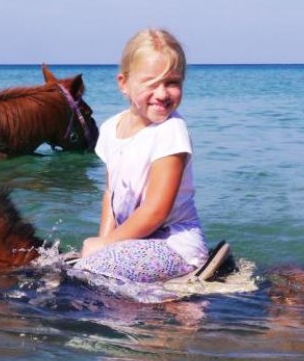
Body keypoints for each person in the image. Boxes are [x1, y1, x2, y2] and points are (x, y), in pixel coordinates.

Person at [73, 29, 208, 284]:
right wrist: (102, 240)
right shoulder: (111, 128)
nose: (162, 93)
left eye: (172, 82)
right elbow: (111, 196)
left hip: (175, 246)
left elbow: (156, 211)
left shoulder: (170, 132)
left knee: (89, 275)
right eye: (151, 83)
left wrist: (106, 246)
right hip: (134, 241)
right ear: (124, 83)